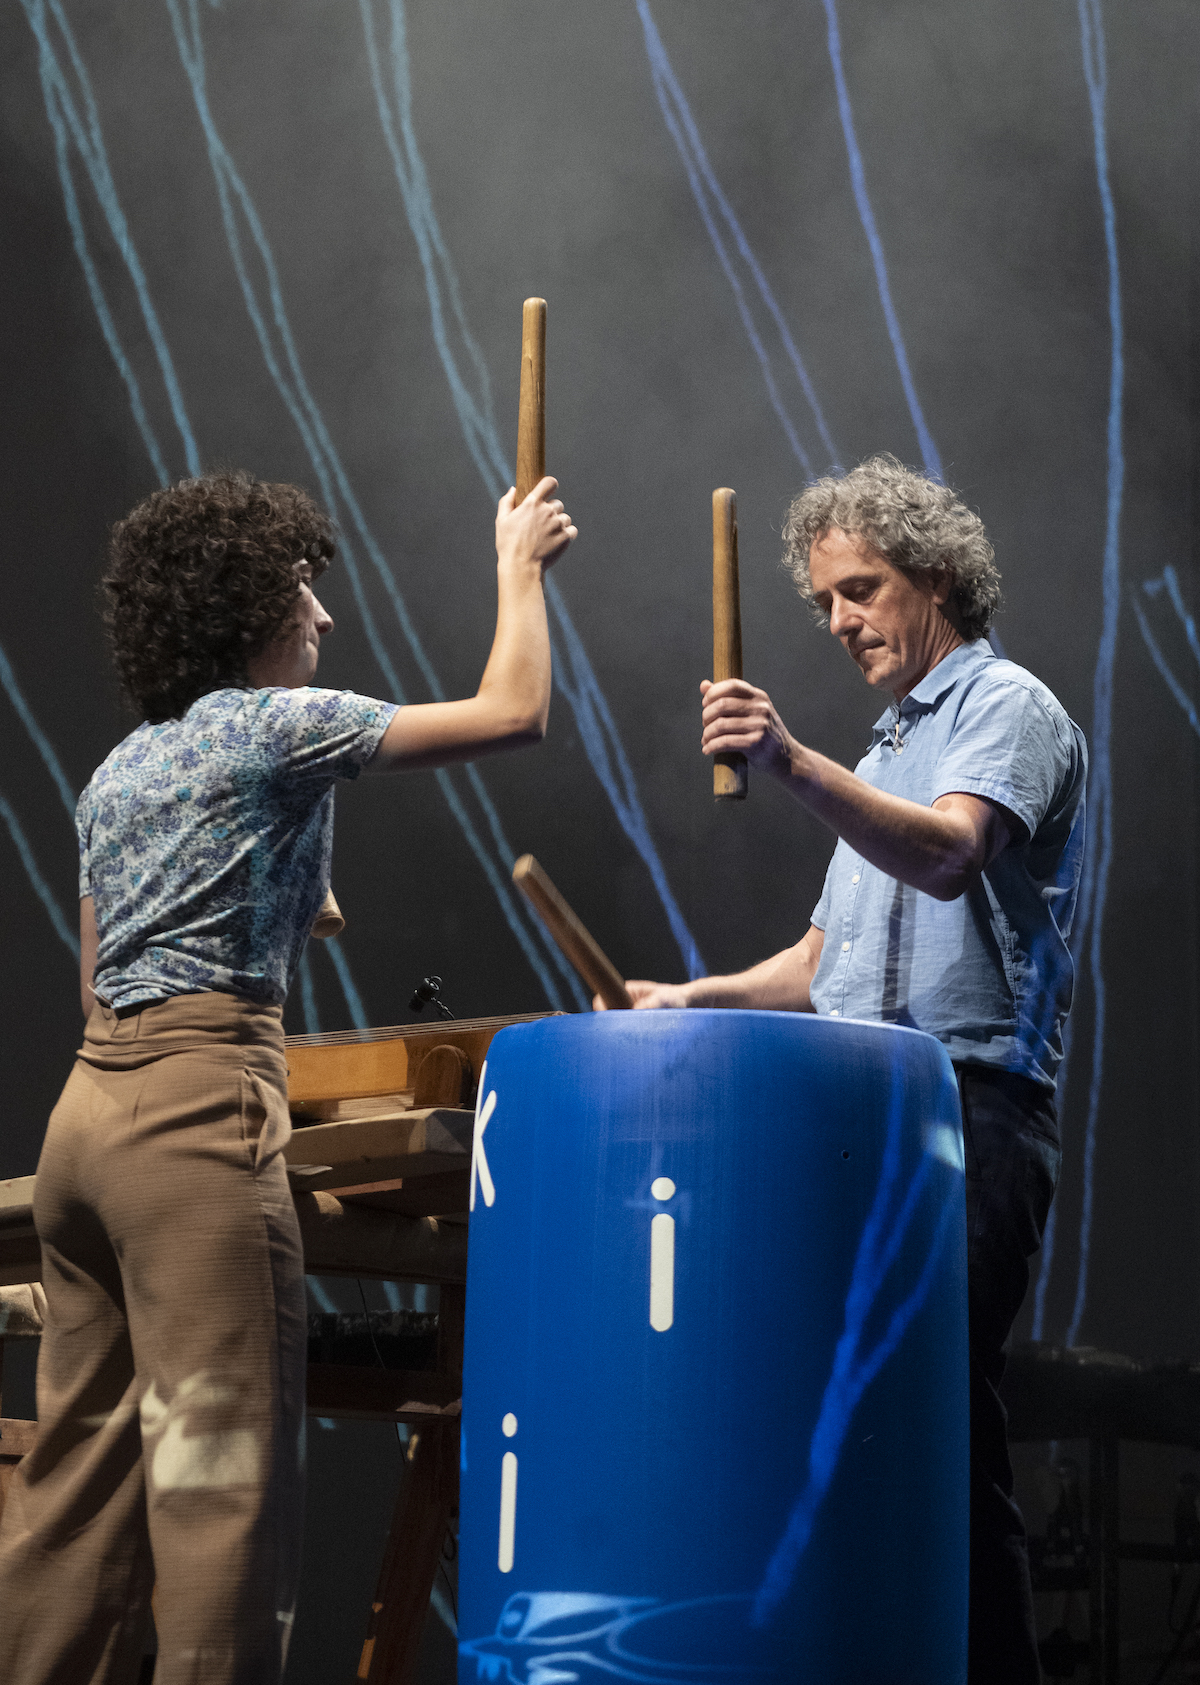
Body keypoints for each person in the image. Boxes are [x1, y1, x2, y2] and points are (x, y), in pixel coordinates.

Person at [0, 467, 576, 1685]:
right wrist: (519, 567)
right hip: (194, 1119)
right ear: (248, 610)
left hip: (84, 1126)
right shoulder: (274, 726)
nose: (322, 614)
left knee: (74, 1498)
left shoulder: (119, 771)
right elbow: (514, 711)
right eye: (303, 589)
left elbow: (101, 984)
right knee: (221, 1496)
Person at [609, 454, 1086, 1685]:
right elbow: (822, 961)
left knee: (936, 1426)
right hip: (866, 1117)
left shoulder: (1007, 707)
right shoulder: (882, 757)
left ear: (938, 577)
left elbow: (950, 856)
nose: (839, 622)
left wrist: (785, 760)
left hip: (967, 1112)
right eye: (824, 602)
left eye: (860, 590)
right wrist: (692, 999)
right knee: (856, 1423)